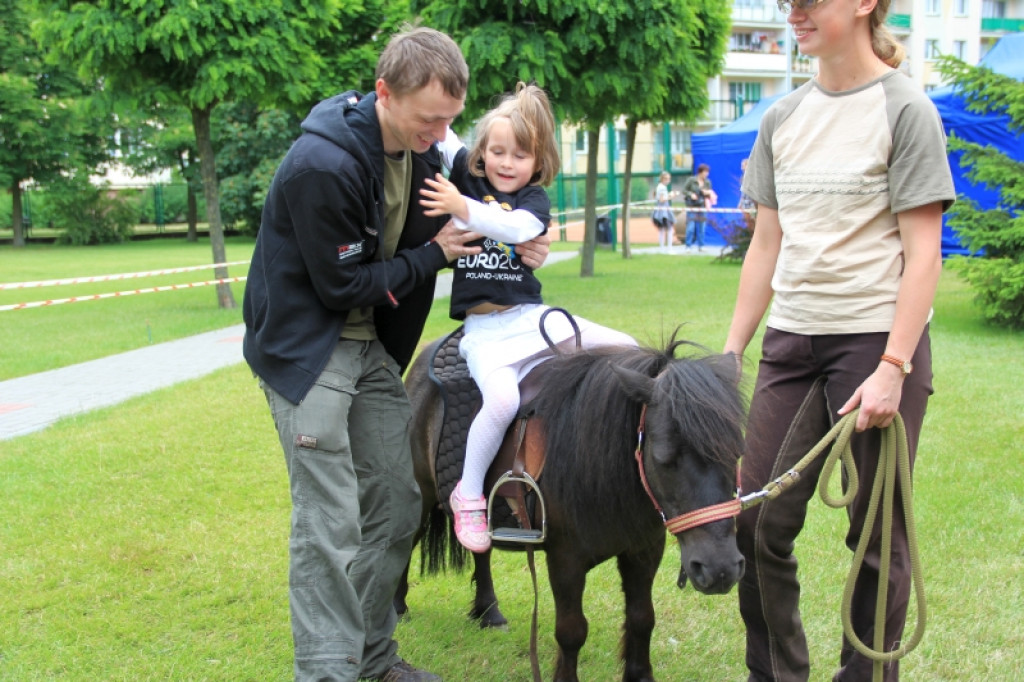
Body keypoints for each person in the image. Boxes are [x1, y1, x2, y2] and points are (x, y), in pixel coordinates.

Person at [242, 28, 550, 682]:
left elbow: (501, 193)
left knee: (399, 501)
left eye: (448, 119)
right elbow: (341, 286)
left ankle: (372, 658)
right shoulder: (320, 166)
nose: (441, 133)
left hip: (368, 348)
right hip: (307, 347)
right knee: (329, 518)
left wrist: (525, 243)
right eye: (428, 119)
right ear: (385, 93)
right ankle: (328, 673)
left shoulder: (428, 152)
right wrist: (435, 256)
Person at [721, 1, 955, 680]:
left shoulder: (905, 110)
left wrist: (893, 366)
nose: (794, 12)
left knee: (877, 537)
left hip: (875, 342)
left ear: (863, 4)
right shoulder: (781, 118)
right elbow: (766, 244)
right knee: (755, 522)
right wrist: (732, 353)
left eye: (809, 1)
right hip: (792, 343)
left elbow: (925, 250)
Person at [418, 83, 636, 553]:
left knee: (632, 350)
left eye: (520, 155)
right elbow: (442, 130)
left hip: (531, 320)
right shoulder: (469, 176)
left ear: (537, 163)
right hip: (486, 335)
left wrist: (461, 207)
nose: (505, 162)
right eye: (496, 150)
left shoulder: (533, 203)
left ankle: (645, 461)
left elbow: (514, 228)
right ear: (481, 151)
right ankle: (469, 494)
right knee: (499, 402)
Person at [682, 163, 714, 251]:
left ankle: (701, 246)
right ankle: (688, 246)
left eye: (707, 172)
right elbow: (684, 190)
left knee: (702, 228)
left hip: (702, 207)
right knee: (690, 228)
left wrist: (707, 193)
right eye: (705, 172)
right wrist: (691, 194)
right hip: (692, 207)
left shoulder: (707, 182)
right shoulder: (691, 180)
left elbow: (710, 193)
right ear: (700, 172)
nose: (706, 174)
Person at [651, 170, 678, 250]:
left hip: (661, 209)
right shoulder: (662, 187)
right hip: (663, 211)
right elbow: (662, 200)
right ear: (663, 179)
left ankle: (662, 248)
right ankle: (669, 247)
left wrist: (669, 195)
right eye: (667, 179)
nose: (668, 181)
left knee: (662, 229)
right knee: (669, 229)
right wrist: (671, 196)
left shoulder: (659, 186)